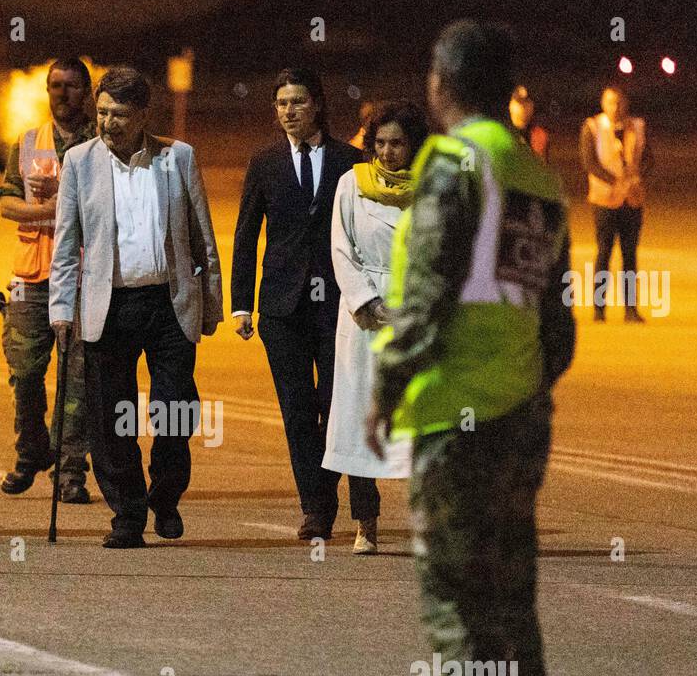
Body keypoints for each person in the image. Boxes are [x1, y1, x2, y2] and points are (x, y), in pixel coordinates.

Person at [366, 20, 576, 676]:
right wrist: (526, 389)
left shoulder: (453, 164)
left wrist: (388, 382)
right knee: (513, 603)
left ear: (441, 83)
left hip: (459, 417)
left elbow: (426, 294)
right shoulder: (536, 173)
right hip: (521, 415)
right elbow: (557, 324)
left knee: (457, 604)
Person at [49, 66, 223, 548]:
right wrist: (62, 310)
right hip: (109, 305)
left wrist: (210, 306)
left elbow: (203, 235)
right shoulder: (80, 162)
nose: (108, 122)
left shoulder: (178, 157)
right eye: (102, 112)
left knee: (175, 409)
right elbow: (67, 245)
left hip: (169, 303)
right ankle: (126, 514)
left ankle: (164, 496)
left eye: (120, 114)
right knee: (110, 417)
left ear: (144, 114)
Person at [232, 68, 360, 541]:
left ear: (318, 105)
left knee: (334, 403)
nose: (288, 112)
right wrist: (241, 304)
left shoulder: (352, 160)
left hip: (338, 304)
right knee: (296, 409)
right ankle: (316, 507)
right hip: (282, 308)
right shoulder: (264, 163)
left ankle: (325, 492)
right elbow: (246, 237)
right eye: (282, 103)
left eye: (298, 103)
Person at [325, 101, 428, 555]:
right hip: (364, 316)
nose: (388, 153)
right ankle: (366, 521)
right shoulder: (352, 184)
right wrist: (364, 299)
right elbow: (340, 248)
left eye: (398, 143)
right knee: (358, 418)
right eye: (380, 143)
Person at [0, 57, 95, 505]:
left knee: (77, 378)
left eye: (72, 86)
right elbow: (6, 203)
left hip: (84, 275)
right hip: (31, 274)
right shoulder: (29, 140)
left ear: (86, 91)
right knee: (24, 370)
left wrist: (68, 203)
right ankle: (31, 448)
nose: (62, 93)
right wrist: (53, 211)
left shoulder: (100, 143)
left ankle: (71, 469)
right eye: (55, 85)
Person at [580, 84, 652, 323]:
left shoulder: (638, 127)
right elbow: (590, 162)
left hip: (632, 200)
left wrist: (639, 176)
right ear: (603, 104)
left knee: (630, 256)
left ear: (626, 104)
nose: (615, 107)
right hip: (604, 201)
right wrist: (616, 181)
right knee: (604, 253)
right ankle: (599, 309)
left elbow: (649, 159)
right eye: (611, 102)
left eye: (619, 102)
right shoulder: (592, 127)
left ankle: (630, 309)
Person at [508, 85, 548, 162]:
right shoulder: (514, 106)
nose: (522, 108)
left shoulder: (539, 136)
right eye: (519, 102)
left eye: (525, 102)